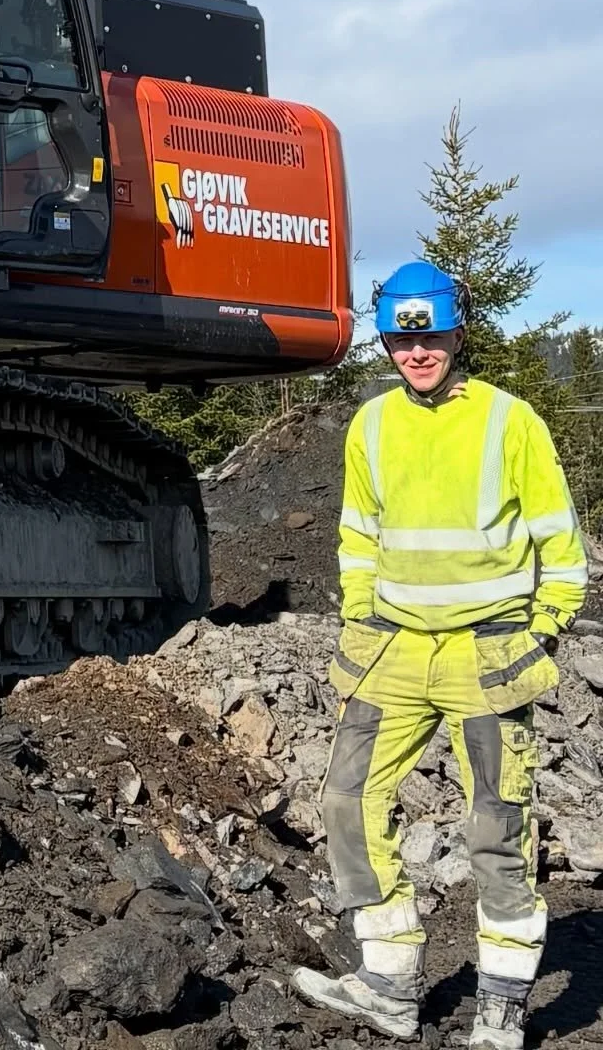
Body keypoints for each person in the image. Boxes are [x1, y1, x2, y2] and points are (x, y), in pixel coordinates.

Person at [291, 261, 588, 1048]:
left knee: (497, 823)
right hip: (391, 647)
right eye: (401, 338)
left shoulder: (508, 419)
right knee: (346, 801)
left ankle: (501, 1004)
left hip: (488, 652)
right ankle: (388, 981)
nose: (417, 352)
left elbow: (558, 533)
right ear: (387, 339)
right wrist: (359, 617)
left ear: (458, 333)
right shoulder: (373, 425)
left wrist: (546, 625)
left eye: (431, 337)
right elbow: (358, 533)